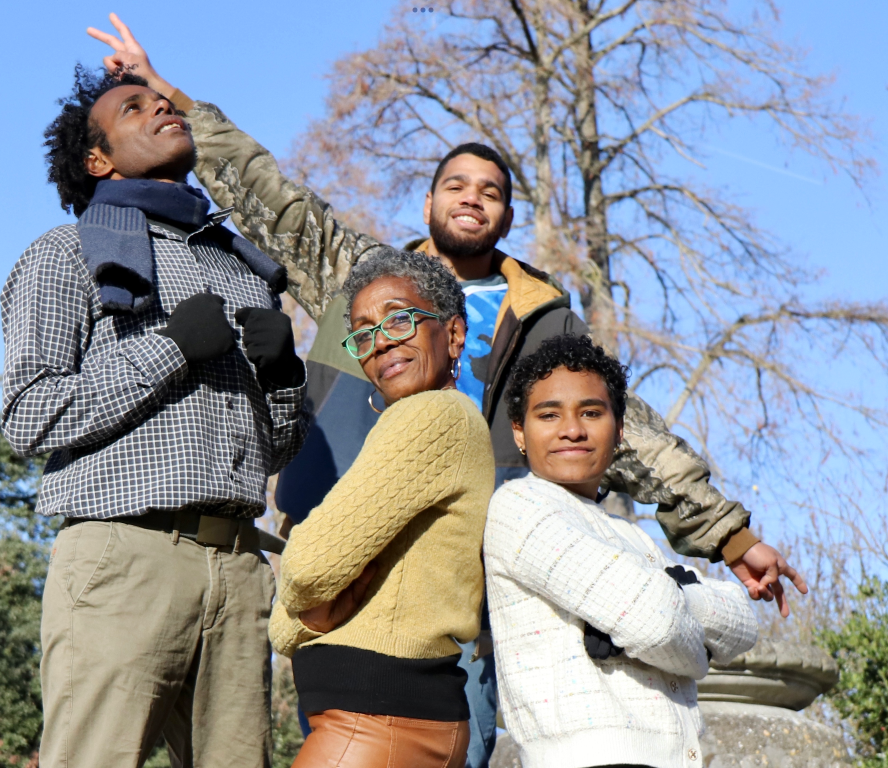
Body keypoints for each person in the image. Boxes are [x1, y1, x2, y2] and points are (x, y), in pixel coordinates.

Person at [87, 16, 807, 768]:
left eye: (491, 191)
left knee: (456, 740)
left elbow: (627, 433)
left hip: (461, 578)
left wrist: (730, 535)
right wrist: (165, 90)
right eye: (455, 185)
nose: (473, 198)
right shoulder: (362, 276)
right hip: (346, 551)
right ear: (428, 203)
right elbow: (271, 194)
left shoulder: (543, 319)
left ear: (506, 216)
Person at [1, 66, 307, 768]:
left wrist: (287, 380)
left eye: (163, 100)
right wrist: (169, 350)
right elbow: (28, 416)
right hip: (122, 559)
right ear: (97, 159)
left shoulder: (244, 272)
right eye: (134, 107)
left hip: (236, 566)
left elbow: (274, 452)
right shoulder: (63, 253)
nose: (161, 107)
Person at [485, 334, 758, 768]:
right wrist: (695, 651)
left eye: (591, 413)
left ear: (619, 431)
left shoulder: (628, 535)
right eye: (548, 414)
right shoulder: (519, 508)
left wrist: (664, 604)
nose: (572, 429)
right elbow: (655, 624)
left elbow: (742, 622)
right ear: (519, 431)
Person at [269, 248, 493, 768]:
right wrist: (311, 613)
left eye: (399, 319)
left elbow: (305, 568)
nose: (381, 342)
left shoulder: (432, 416)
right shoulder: (427, 423)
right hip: (381, 722)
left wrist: (310, 609)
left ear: (454, 333)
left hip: (376, 724)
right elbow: (285, 629)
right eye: (363, 334)